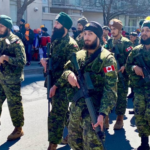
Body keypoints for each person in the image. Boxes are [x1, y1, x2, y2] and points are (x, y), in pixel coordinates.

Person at [59, 21, 117, 150]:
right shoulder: (78, 55)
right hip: (75, 111)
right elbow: (65, 71)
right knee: (74, 144)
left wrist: (102, 114)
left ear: (98, 36)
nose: (86, 37)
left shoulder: (107, 59)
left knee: (93, 146)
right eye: (85, 33)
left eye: (90, 34)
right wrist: (69, 75)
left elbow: (111, 89)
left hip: (94, 112)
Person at [40, 12, 79, 150]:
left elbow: (71, 69)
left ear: (65, 27)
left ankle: (52, 144)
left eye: (57, 23)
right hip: (53, 83)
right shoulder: (54, 42)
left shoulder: (71, 45)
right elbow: (54, 61)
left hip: (63, 86)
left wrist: (56, 86)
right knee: (62, 112)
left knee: (56, 115)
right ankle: (73, 132)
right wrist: (45, 62)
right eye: (55, 23)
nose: (54, 26)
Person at [0, 15, 26, 140]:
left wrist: (6, 58)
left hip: (12, 80)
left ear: (8, 27)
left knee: (14, 105)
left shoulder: (16, 41)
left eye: (1, 26)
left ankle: (18, 129)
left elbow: (22, 61)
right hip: (0, 78)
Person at [126, 20, 150, 150]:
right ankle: (144, 143)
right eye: (143, 30)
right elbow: (127, 65)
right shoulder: (136, 51)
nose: (144, 33)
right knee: (140, 117)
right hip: (140, 90)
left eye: (148, 31)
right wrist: (134, 67)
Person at [105, 19, 133, 130]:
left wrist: (124, 66)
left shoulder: (127, 43)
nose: (112, 31)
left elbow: (131, 58)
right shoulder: (109, 42)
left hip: (122, 75)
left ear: (120, 29)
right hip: (110, 74)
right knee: (108, 96)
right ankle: (106, 117)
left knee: (121, 97)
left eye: (114, 29)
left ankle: (120, 119)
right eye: (111, 29)